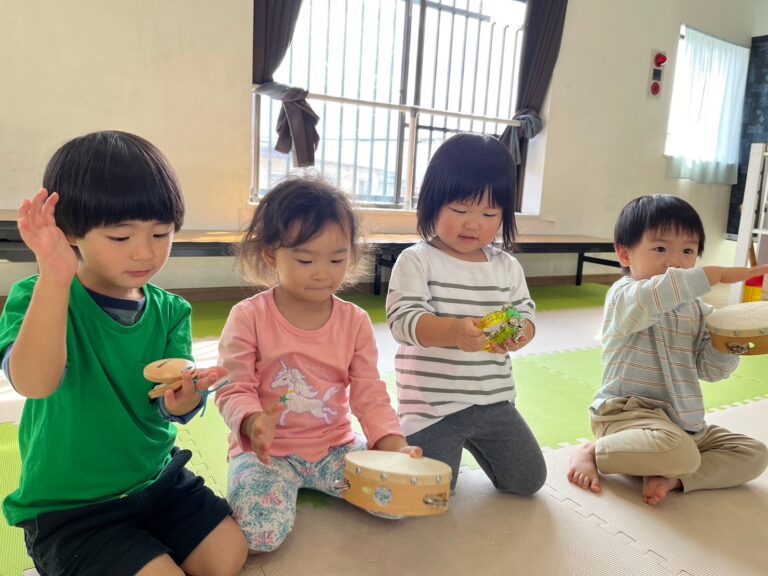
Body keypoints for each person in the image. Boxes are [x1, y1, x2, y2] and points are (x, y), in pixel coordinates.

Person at [0, 131, 248, 575]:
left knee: (228, 555)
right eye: (120, 237)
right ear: (70, 231)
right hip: (73, 508)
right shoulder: (35, 296)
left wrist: (186, 398)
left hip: (159, 483)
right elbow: (35, 383)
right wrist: (55, 279)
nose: (145, 252)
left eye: (161, 233)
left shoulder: (172, 311)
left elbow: (173, 405)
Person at [215, 176, 420, 553]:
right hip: (266, 454)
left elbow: (369, 393)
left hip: (333, 447)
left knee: (396, 502)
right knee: (259, 535)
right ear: (271, 254)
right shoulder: (248, 317)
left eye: (337, 259)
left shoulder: (354, 321)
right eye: (306, 259)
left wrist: (393, 445)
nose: (323, 272)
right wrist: (251, 421)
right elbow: (233, 386)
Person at [568, 194, 768, 505]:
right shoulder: (625, 296)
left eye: (688, 251)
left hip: (682, 423)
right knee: (679, 451)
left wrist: (730, 342)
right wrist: (714, 276)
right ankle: (592, 451)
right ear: (625, 254)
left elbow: (710, 371)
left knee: (755, 454)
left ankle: (673, 477)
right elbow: (660, 294)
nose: (675, 261)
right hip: (625, 416)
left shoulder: (699, 311)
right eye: (661, 248)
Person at [385, 132, 547, 494]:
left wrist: (523, 332)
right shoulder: (417, 260)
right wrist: (453, 333)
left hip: (493, 400)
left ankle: (472, 444)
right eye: (459, 210)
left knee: (528, 481)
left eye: (489, 213)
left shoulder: (506, 266)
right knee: (430, 493)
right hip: (433, 407)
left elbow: (525, 312)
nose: (472, 224)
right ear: (432, 205)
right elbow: (402, 321)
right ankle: (389, 442)